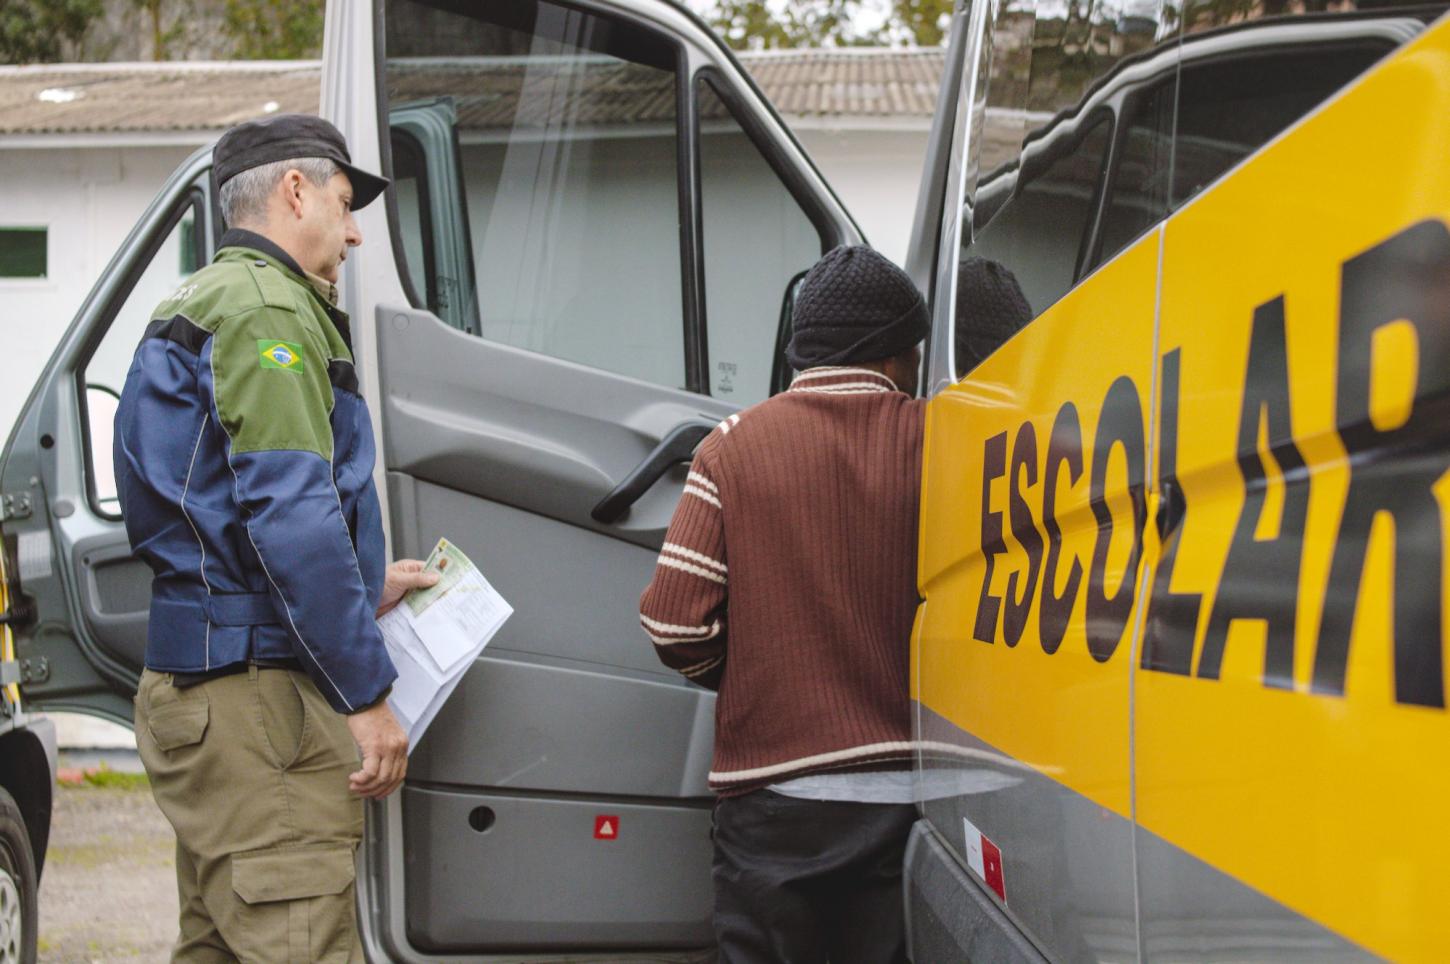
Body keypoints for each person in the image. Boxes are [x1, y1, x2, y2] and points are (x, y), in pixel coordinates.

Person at [115, 113, 436, 962]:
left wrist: (363, 583)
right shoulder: (266, 312)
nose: (355, 231)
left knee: (219, 942)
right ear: (296, 190)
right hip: (257, 698)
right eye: (345, 202)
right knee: (300, 941)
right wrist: (365, 695)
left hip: (203, 684)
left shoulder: (196, 301)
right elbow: (290, 513)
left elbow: (212, 506)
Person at [639, 245, 929, 963]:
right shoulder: (940, 439)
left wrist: (756, 673)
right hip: (907, 793)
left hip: (773, 800)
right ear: (895, 353)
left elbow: (673, 623)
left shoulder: (731, 448)